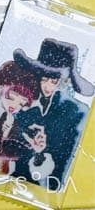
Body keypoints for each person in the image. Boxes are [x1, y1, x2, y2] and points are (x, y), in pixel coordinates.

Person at [10, 39, 95, 189]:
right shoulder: (23, 102)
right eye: (44, 79)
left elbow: (66, 156)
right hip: (11, 174)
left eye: (54, 81)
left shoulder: (75, 112)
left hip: (48, 182)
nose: (48, 87)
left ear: (64, 80)